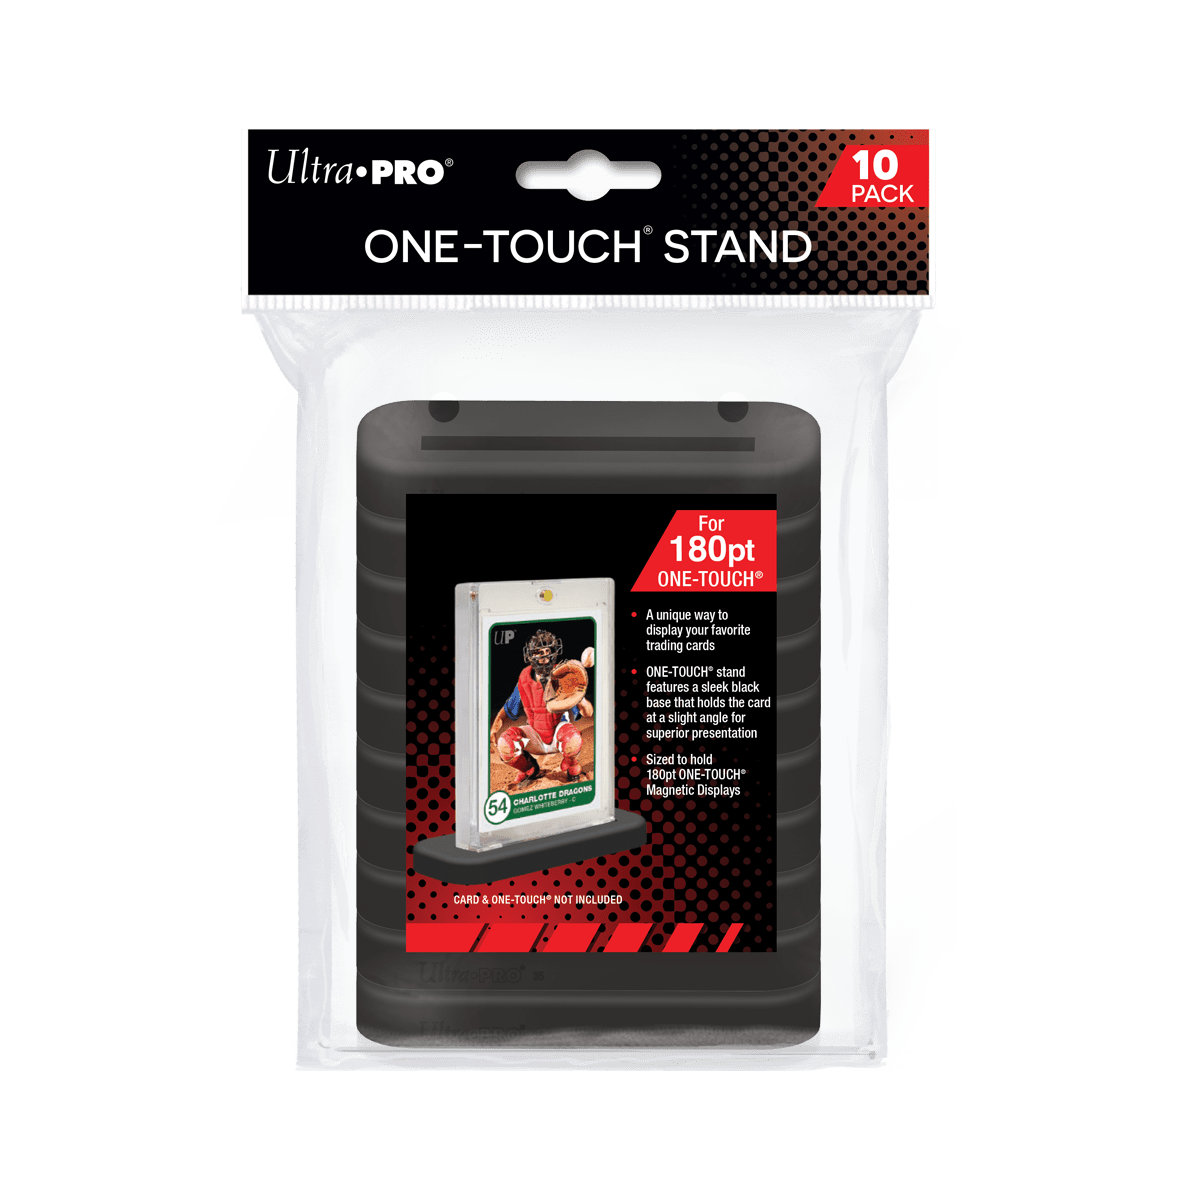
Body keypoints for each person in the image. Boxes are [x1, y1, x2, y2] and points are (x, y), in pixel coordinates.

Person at [491, 629, 594, 785]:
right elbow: (507, 709)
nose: (545, 656)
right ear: (530, 655)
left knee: (573, 739)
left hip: (559, 734)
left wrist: (580, 698)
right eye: (539, 652)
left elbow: (588, 713)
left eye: (547, 651)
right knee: (504, 744)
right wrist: (493, 729)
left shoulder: (563, 676)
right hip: (535, 736)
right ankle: (529, 768)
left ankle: (571, 764)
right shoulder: (524, 679)